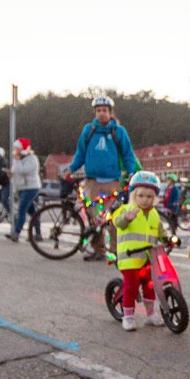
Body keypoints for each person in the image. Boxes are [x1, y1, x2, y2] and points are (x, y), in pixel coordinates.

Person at [63, 96, 139, 261]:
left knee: (114, 217)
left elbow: (127, 153)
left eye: (104, 110)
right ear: (95, 113)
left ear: (110, 113)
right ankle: (98, 249)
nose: (101, 114)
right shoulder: (89, 130)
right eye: (98, 111)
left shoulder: (119, 131)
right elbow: (80, 153)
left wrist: (131, 172)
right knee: (94, 217)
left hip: (113, 180)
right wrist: (71, 168)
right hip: (92, 181)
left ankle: (115, 251)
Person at [112, 172, 172, 331]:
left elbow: (159, 231)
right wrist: (127, 218)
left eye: (149, 196)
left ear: (154, 197)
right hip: (129, 257)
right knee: (131, 286)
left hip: (148, 257)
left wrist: (168, 239)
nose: (145, 199)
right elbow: (118, 223)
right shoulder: (125, 209)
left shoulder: (154, 213)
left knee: (149, 285)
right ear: (133, 195)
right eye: (141, 196)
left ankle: (150, 314)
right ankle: (128, 317)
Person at [4, 138, 41, 243]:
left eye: (17, 148)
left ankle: (16, 233)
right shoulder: (19, 159)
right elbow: (16, 171)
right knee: (32, 212)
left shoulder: (32, 159)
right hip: (22, 188)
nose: (15, 150)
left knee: (21, 210)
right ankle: (38, 234)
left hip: (31, 188)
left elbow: (23, 170)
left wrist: (16, 160)